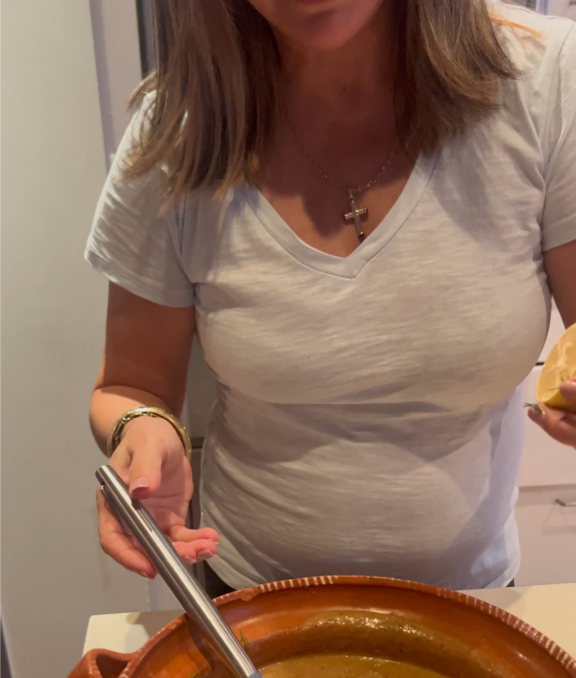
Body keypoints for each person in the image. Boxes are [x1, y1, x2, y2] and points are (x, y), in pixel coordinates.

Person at [88, 0, 576, 599]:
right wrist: (141, 430)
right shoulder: (178, 130)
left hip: (471, 598)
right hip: (252, 603)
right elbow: (130, 387)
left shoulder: (547, 80)